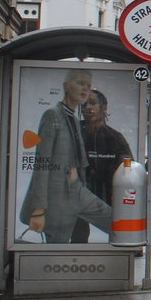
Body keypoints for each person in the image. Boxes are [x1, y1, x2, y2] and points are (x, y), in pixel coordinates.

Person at [19, 69, 112, 244]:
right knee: (57, 246)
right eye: (80, 83)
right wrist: (38, 210)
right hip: (57, 196)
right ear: (66, 86)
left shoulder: (74, 119)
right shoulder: (52, 115)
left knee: (117, 223)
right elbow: (42, 164)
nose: (85, 89)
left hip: (77, 191)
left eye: (88, 85)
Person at [70, 89, 133, 243]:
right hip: (78, 197)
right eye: (83, 104)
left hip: (105, 197)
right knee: (78, 237)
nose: (87, 108)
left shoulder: (114, 138)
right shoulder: (74, 133)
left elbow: (127, 171)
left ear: (104, 108)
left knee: (116, 235)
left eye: (92, 103)